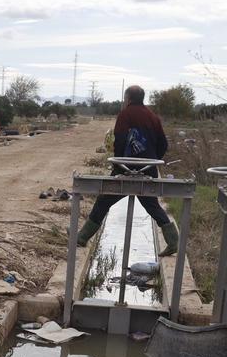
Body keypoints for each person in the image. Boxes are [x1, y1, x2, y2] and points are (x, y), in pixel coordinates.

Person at [76, 85, 179, 256]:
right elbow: (163, 144)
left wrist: (118, 166)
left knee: (103, 201)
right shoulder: (153, 117)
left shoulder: (125, 115)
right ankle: (173, 240)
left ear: (128, 98)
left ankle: (82, 237)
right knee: (152, 204)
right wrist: (152, 160)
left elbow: (121, 141)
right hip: (148, 169)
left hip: (125, 168)